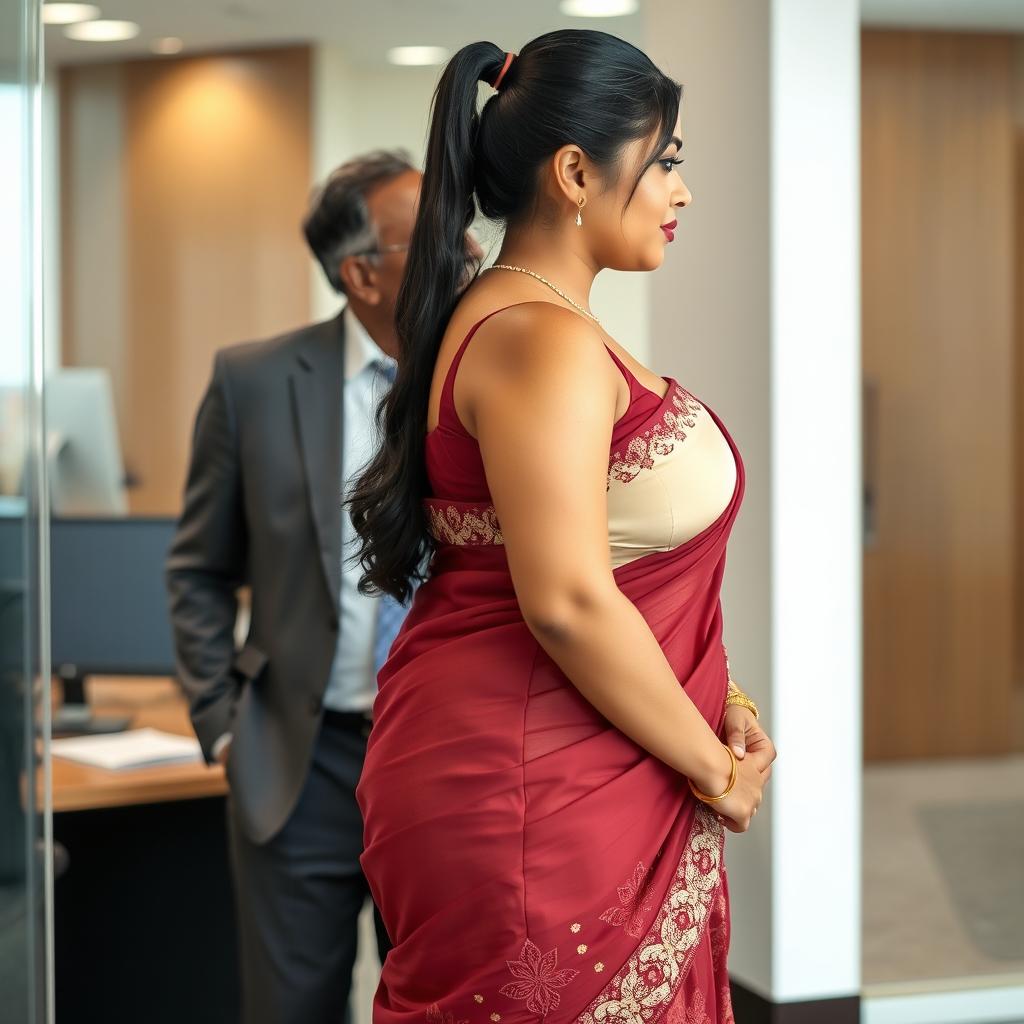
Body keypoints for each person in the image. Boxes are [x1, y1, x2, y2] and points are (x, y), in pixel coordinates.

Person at [346, 30, 778, 1024]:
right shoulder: (537, 339)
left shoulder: (536, 323)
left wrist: (722, 696)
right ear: (577, 171)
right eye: (664, 158)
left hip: (556, 757)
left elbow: (607, 564)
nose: (682, 189)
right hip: (532, 786)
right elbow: (570, 601)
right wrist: (716, 773)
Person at [166, 149, 482, 1024]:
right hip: (297, 765)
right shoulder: (255, 382)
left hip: (441, 761)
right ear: (360, 273)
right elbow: (197, 567)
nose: (463, 249)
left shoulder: (481, 379)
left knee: (434, 1006)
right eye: (431, 238)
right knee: (292, 1008)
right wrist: (223, 726)